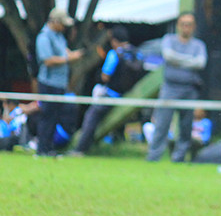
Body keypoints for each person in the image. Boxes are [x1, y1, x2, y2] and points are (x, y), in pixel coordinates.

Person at [146, 12, 207, 163]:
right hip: (169, 88)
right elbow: (168, 56)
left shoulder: (199, 45)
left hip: (189, 89)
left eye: (189, 24)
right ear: (178, 26)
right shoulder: (169, 40)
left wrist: (178, 60)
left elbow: (200, 63)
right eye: (183, 24)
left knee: (186, 127)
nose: (186, 27)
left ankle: (179, 158)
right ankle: (153, 158)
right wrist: (189, 61)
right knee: (161, 124)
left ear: (194, 27)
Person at [74, 25, 144, 154]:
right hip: (130, 96)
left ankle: (80, 149)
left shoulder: (114, 54)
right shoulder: (137, 53)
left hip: (111, 96)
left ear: (114, 40)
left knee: (91, 118)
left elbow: (105, 76)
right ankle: (118, 144)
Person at [34, 7, 83, 157]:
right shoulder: (44, 37)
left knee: (55, 116)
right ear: (54, 21)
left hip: (60, 83)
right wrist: (69, 58)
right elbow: (48, 60)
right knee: (47, 115)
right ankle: (41, 149)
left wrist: (75, 54)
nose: (64, 27)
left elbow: (64, 52)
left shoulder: (59, 37)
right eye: (62, 23)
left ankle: (49, 148)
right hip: (48, 82)